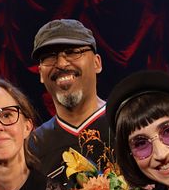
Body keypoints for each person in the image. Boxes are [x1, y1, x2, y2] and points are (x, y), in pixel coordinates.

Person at [29, 19, 112, 178]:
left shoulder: (127, 123)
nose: (61, 63)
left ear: (97, 63)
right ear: (40, 74)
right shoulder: (33, 148)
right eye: (49, 56)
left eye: (73, 52)